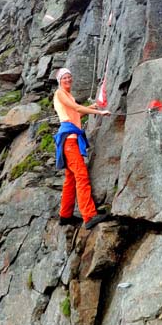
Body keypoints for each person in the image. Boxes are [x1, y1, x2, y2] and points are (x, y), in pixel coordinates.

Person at [53, 67, 111, 229]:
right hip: (69, 142)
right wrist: (100, 113)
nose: (68, 80)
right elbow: (77, 109)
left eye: (69, 77)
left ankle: (65, 215)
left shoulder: (68, 95)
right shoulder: (60, 93)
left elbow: (74, 116)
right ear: (59, 81)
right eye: (64, 78)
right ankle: (89, 216)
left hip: (69, 141)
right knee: (81, 176)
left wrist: (91, 109)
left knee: (71, 179)